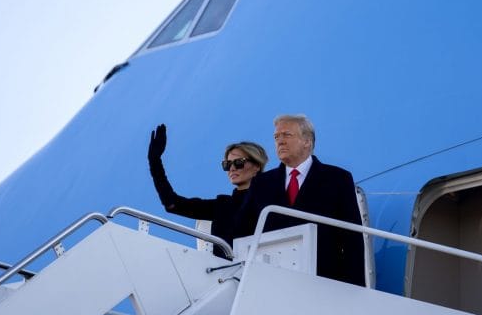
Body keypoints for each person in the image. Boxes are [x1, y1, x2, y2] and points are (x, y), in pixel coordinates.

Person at [236, 114, 365, 286]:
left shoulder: (338, 179)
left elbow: (352, 237)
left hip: (326, 282)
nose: (280, 141)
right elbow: (243, 229)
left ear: (307, 141)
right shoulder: (261, 183)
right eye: (276, 137)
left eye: (287, 135)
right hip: (272, 282)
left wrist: (355, 289)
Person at [147, 124, 268, 259]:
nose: (232, 168)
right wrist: (154, 161)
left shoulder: (271, 198)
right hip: (226, 275)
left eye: (238, 162)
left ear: (256, 166)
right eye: (227, 165)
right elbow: (172, 203)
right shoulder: (222, 205)